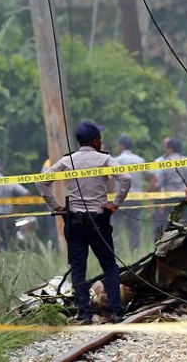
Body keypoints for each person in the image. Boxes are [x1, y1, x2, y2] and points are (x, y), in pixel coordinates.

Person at [37, 121, 132, 324]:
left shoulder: (67, 160)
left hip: (74, 222)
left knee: (78, 268)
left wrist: (56, 206)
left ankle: (84, 315)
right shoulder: (105, 159)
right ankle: (116, 312)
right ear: (96, 140)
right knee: (109, 266)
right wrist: (115, 204)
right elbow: (126, 179)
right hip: (98, 221)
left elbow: (41, 182)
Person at [113, 135, 149, 252]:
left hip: (119, 198)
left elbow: (109, 178)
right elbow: (153, 177)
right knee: (134, 226)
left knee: (116, 226)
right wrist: (147, 192)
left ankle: (116, 249)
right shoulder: (139, 160)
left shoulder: (116, 161)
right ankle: (134, 250)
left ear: (121, 146)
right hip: (136, 198)